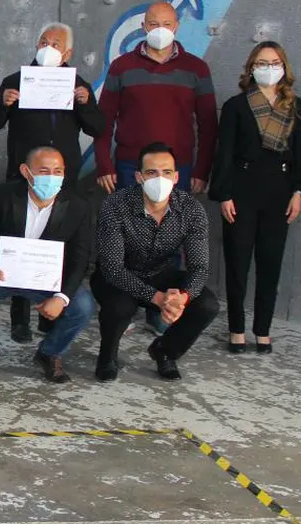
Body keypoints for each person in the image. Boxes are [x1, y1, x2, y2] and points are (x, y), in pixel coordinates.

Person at [0, 22, 104, 344]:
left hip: (62, 180)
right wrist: (2, 104)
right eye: (44, 41)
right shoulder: (16, 81)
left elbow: (98, 128)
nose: (49, 47)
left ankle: (51, 311)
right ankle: (19, 317)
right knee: (19, 243)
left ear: (68, 52)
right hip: (24, 176)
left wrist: (86, 102)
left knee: (55, 243)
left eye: (56, 43)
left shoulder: (77, 84)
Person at [0, 146, 96, 383]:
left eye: (58, 171)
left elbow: (80, 257)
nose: (51, 177)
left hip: (46, 278)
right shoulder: (3, 196)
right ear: (26, 171)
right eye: (43, 170)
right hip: (1, 273)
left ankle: (50, 352)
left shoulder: (77, 206)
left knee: (82, 307)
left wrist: (61, 297)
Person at [209, 42, 301, 354]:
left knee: (271, 262)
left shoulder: (296, 106)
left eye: (275, 61)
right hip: (241, 189)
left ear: (284, 67)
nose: (269, 67)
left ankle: (263, 330)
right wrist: (224, 193)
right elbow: (223, 153)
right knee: (237, 261)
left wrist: (297, 192)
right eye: (262, 62)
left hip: (279, 190)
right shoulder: (236, 105)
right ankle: (237, 329)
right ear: (252, 67)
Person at [91, 143, 220, 382]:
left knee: (208, 305)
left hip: (160, 272)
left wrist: (181, 298)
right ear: (139, 176)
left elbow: (199, 267)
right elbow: (112, 267)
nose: (159, 178)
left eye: (166, 172)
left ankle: (165, 351)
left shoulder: (191, 209)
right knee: (120, 308)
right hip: (117, 276)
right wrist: (157, 298)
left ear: (176, 176)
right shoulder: (115, 205)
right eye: (151, 172)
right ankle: (107, 356)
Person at [94, 1, 218, 197]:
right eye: (153, 24)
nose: (160, 29)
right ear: (143, 27)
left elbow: (208, 125)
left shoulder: (197, 68)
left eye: (167, 24)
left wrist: (201, 170)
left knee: (174, 226)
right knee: (129, 225)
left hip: (178, 168)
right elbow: (103, 119)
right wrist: (103, 165)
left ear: (176, 26)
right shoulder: (121, 67)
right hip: (130, 166)